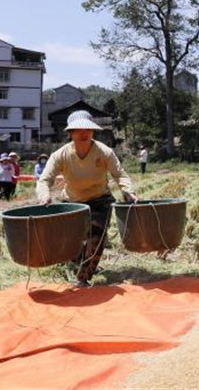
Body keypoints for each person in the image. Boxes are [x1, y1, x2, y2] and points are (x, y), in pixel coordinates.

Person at [36, 110, 137, 288]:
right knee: (71, 241)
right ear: (70, 133)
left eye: (88, 130)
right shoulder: (60, 155)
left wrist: (128, 191)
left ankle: (83, 277)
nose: (84, 134)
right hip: (72, 202)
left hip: (99, 200)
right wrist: (45, 195)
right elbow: (45, 179)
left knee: (96, 238)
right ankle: (76, 261)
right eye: (78, 130)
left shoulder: (104, 152)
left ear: (93, 131)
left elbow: (119, 174)